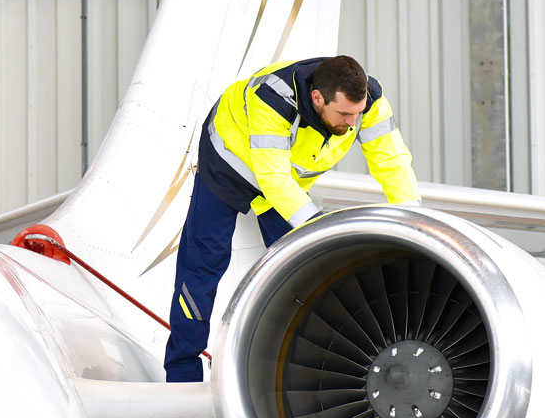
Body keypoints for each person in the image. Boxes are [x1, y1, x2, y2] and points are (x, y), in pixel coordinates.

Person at [164, 55, 420, 382]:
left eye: (357, 115)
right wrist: (321, 231)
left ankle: (293, 377)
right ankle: (181, 376)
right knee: (203, 266)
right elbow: (273, 179)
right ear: (317, 98)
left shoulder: (366, 103)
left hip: (287, 177)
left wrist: (412, 220)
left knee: (310, 273)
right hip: (229, 165)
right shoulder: (271, 99)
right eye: (344, 114)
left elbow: (393, 163)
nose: (353, 125)